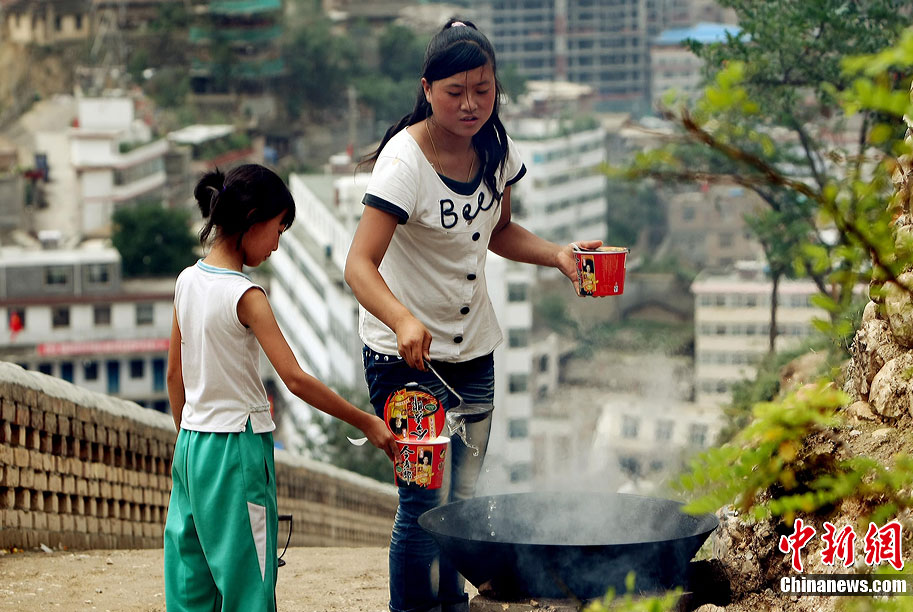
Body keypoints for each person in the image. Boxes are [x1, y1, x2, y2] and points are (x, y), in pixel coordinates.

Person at [344, 19, 602, 612]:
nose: (470, 104)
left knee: (461, 499)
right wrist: (402, 319)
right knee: (422, 500)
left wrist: (558, 256)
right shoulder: (404, 162)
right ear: (427, 89)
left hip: (474, 352)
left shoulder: (496, 149)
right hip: (404, 360)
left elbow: (499, 230)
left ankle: (450, 603)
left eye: (482, 90)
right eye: (455, 91)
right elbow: (359, 264)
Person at [164, 164, 398, 612]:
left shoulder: (186, 281)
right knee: (248, 586)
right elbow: (295, 379)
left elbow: (175, 376)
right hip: (236, 450)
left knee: (191, 585)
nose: (275, 244)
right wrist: (366, 421)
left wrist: (190, 440)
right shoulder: (246, 296)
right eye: (278, 229)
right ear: (253, 220)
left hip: (191, 446)